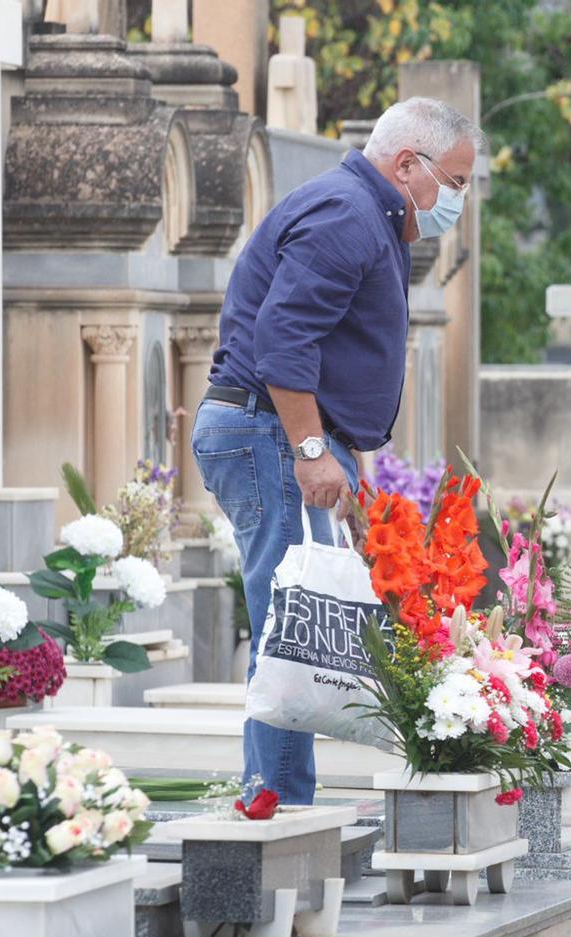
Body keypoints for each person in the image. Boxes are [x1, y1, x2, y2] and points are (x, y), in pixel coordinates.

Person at [194, 98, 483, 804]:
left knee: (294, 614)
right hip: (266, 429)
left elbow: (329, 347)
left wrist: (346, 459)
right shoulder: (348, 216)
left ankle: (281, 790)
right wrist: (311, 447)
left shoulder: (367, 214)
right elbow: (284, 341)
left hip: (279, 429)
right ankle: (276, 798)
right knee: (287, 619)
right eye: (455, 181)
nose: (459, 199)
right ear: (406, 165)